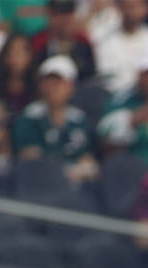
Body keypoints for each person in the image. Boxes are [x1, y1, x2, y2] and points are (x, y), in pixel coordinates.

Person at [13, 55, 97, 183]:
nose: (52, 88)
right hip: (37, 185)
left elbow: (88, 160)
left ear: (70, 86)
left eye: (57, 83)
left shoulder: (80, 120)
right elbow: (29, 156)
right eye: (47, 82)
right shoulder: (30, 117)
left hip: (73, 188)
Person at [94, 0, 148, 94]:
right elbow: (105, 77)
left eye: (136, 7)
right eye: (127, 7)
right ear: (119, 8)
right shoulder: (104, 39)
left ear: (147, 9)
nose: (131, 12)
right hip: (113, 98)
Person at [31, 0, 96, 80]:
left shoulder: (83, 42)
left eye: (67, 14)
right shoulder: (38, 42)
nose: (63, 20)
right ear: (49, 15)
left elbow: (90, 74)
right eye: (58, 14)